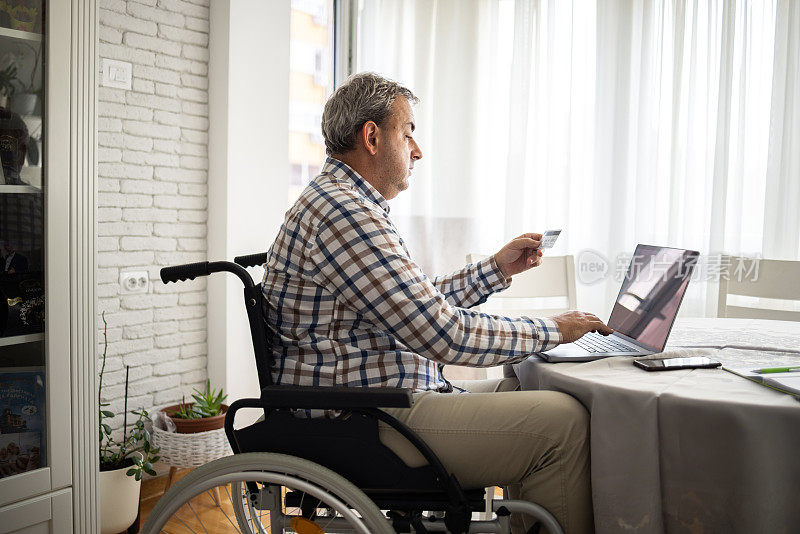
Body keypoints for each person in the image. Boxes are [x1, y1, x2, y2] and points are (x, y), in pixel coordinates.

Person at [262, 72, 612, 534]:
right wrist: (556, 328)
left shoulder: (344, 203)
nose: (417, 150)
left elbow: (415, 306)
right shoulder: (343, 211)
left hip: (381, 402)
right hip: (369, 417)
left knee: (528, 396)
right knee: (563, 425)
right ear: (372, 137)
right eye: (408, 133)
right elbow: (444, 334)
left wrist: (497, 269)